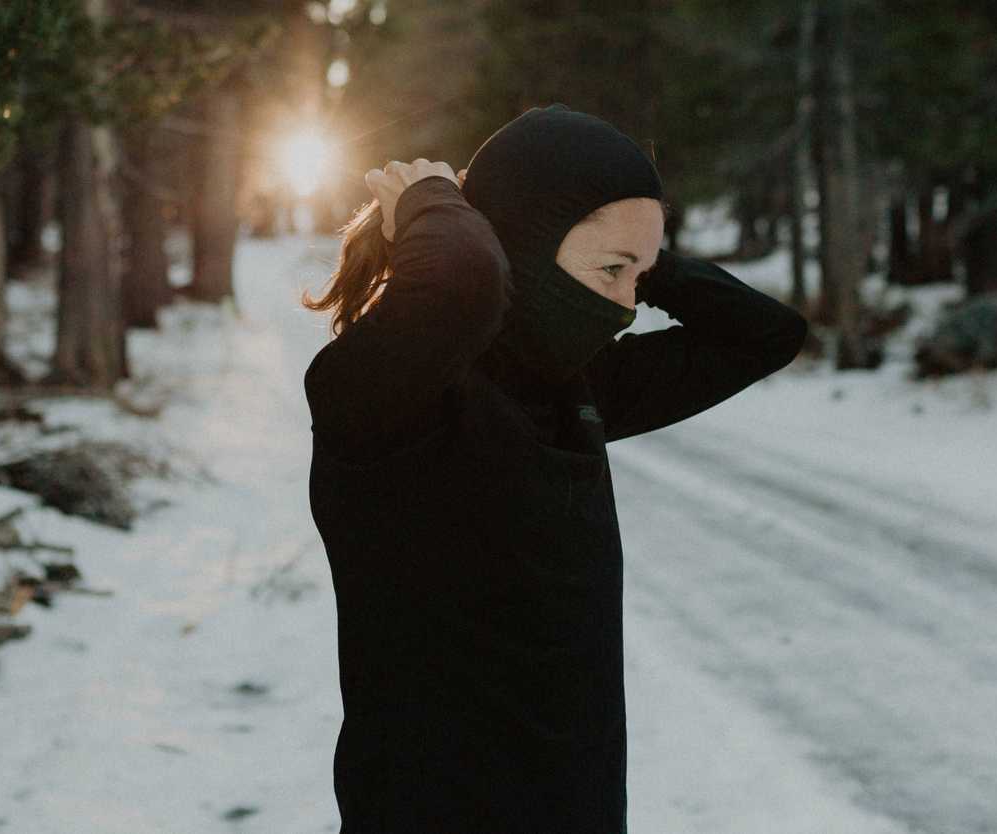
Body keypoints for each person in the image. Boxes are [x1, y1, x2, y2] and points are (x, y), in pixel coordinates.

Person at [301, 105, 808, 832]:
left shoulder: (576, 391)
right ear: (521, 249)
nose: (628, 306)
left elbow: (766, 335)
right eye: (611, 272)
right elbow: (464, 279)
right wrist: (434, 201)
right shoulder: (383, 397)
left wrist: (643, 261)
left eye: (639, 279)